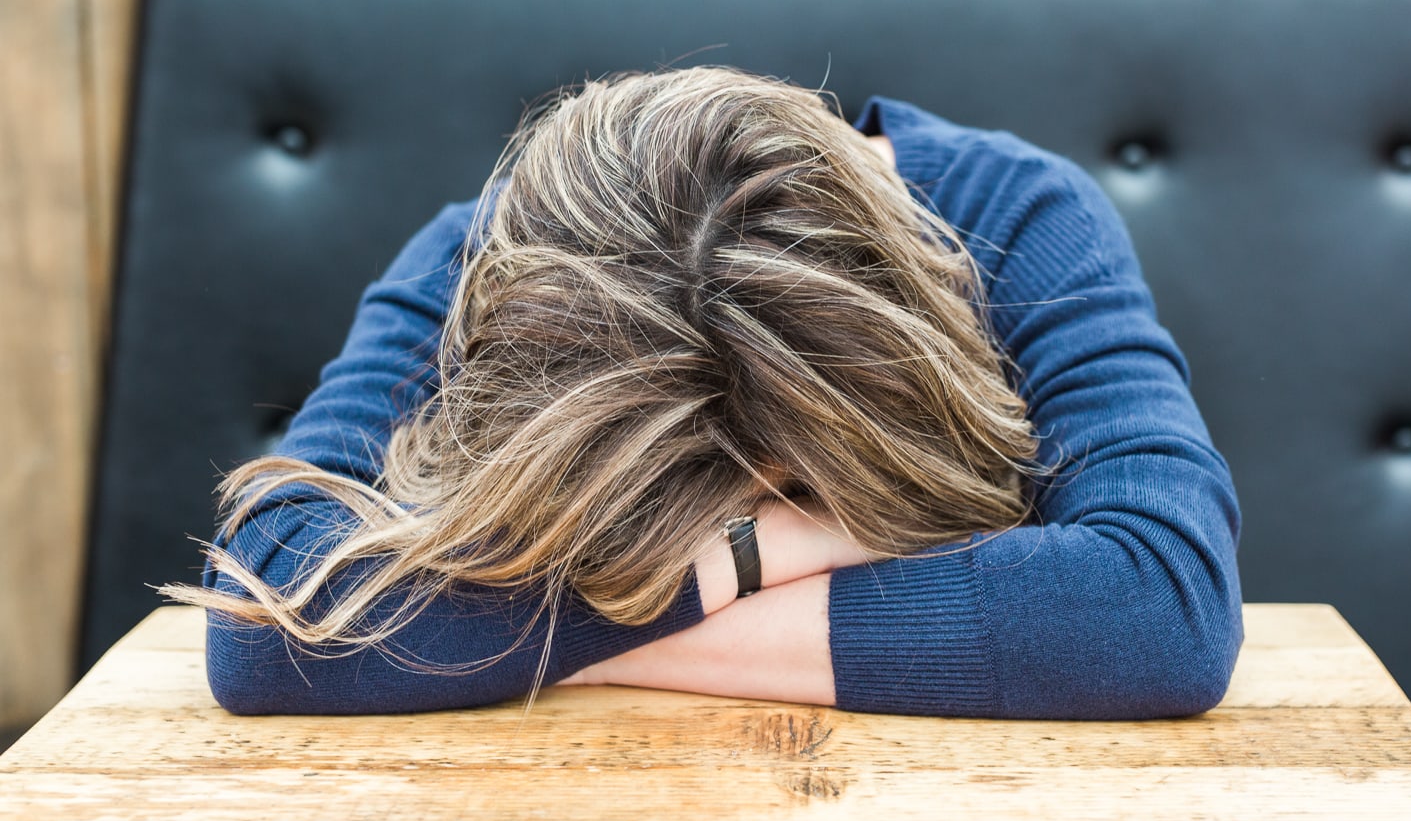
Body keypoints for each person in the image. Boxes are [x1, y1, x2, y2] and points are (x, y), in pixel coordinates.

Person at [162, 65, 1243, 720]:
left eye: (788, 493)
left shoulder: (1017, 215)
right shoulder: (491, 259)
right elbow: (267, 619)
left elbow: (1160, 610)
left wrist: (536, 642)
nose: (753, 511)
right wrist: (759, 555)